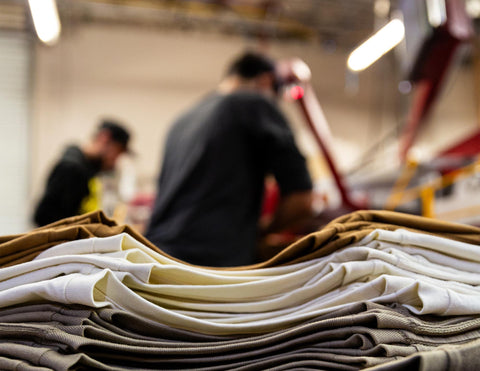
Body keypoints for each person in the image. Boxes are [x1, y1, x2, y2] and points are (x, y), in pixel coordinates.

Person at [145, 51, 313, 267]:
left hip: (157, 256)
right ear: (266, 80)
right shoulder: (254, 103)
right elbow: (302, 201)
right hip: (209, 267)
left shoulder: (183, 119)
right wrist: (261, 231)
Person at [33, 120, 132, 226]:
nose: (116, 160)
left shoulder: (89, 170)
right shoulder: (71, 169)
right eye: (117, 153)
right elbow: (44, 216)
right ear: (104, 139)